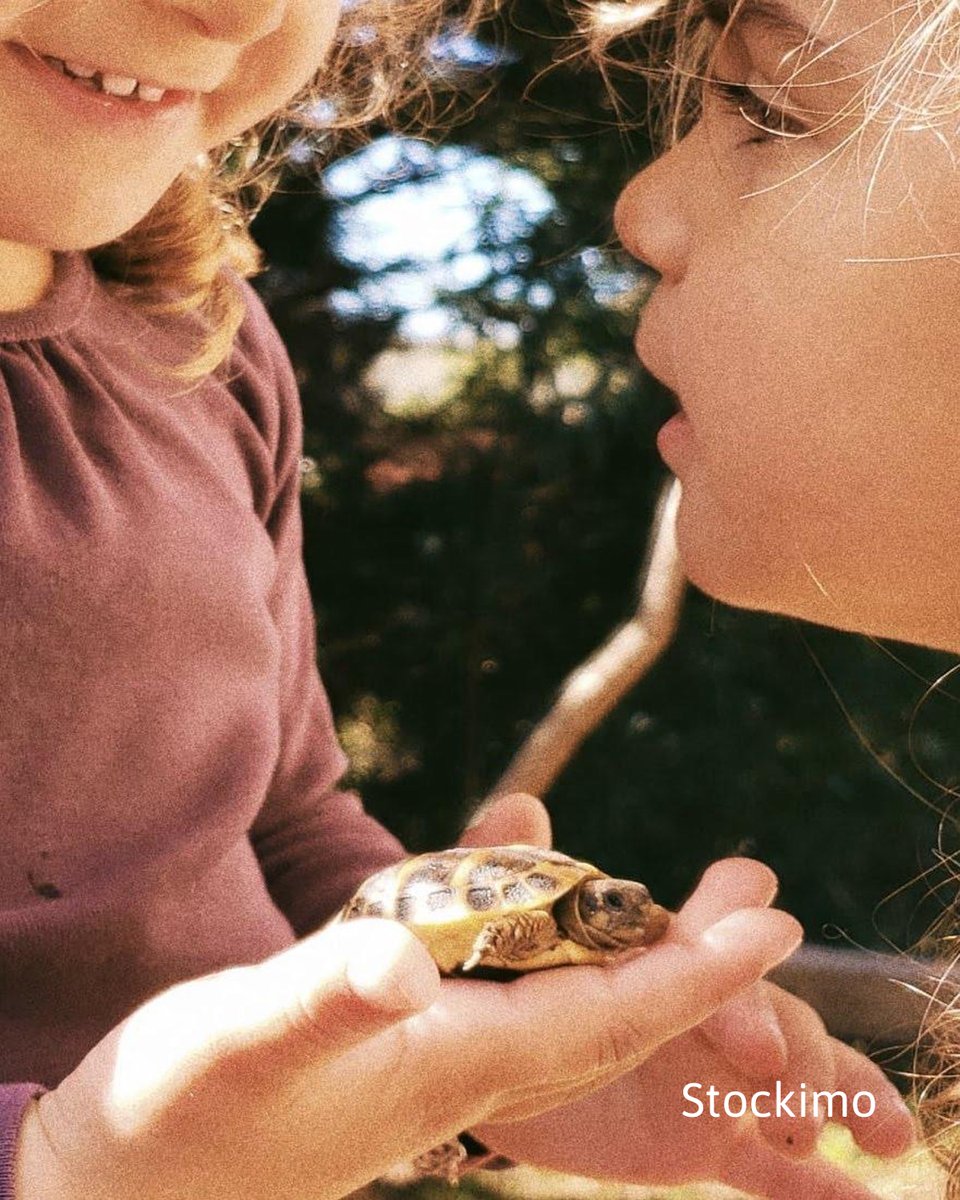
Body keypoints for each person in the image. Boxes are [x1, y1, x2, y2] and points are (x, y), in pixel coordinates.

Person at [0, 1, 915, 1198]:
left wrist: (465, 1059)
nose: (232, 7)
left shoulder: (201, 339)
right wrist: (59, 1169)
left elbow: (287, 822)